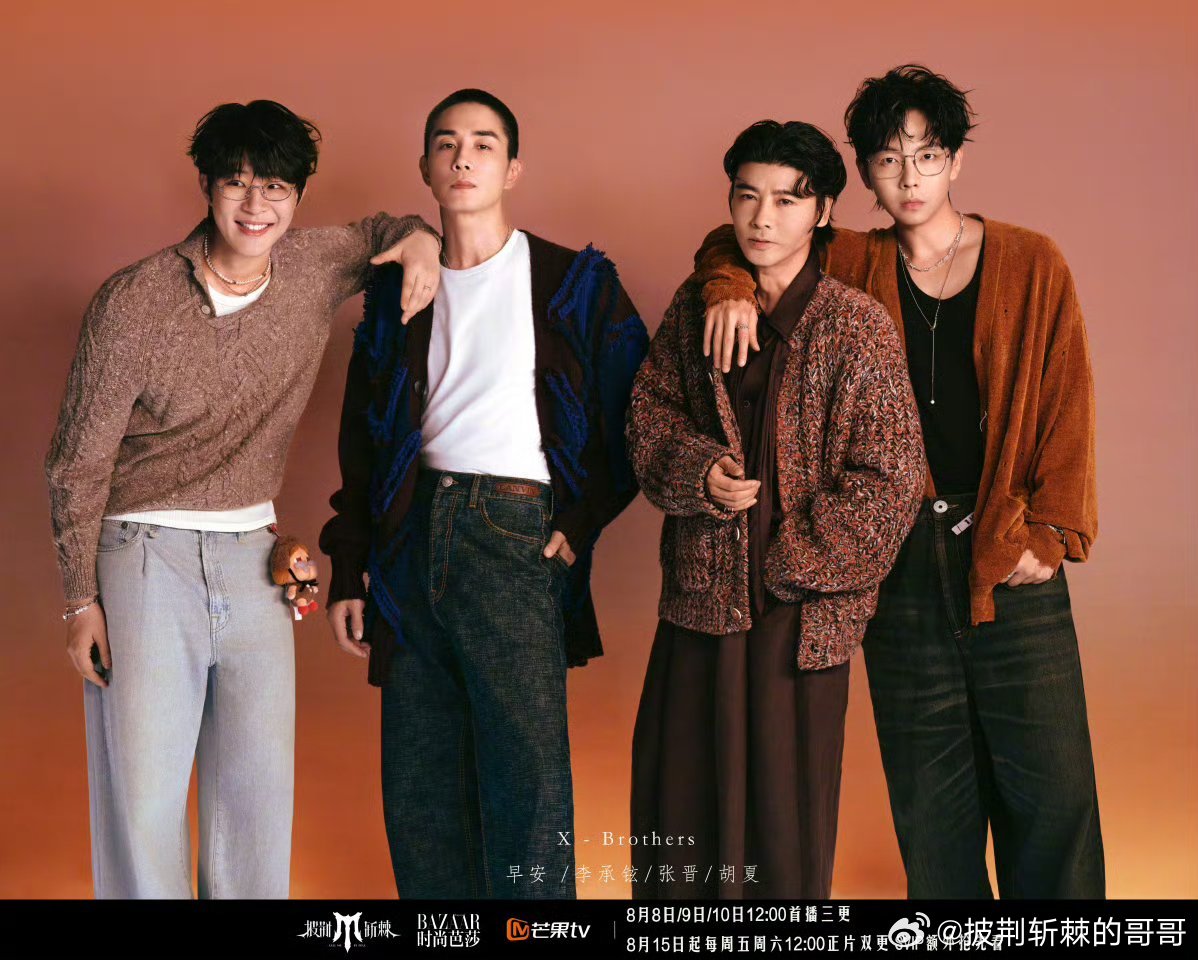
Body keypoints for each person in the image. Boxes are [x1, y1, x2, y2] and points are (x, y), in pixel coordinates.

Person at [693, 65, 1104, 898]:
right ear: (864, 174)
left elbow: (1069, 397)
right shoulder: (849, 259)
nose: (909, 177)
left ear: (956, 160)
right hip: (897, 557)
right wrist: (729, 289)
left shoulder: (1031, 260)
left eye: (927, 155)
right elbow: (740, 238)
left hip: (1006, 547)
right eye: (887, 159)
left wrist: (1055, 531)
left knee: (1053, 799)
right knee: (932, 807)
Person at [45, 99, 440, 899]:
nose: (257, 205)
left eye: (277, 187)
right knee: (145, 798)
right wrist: (80, 599)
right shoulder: (133, 301)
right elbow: (76, 462)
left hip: (256, 559)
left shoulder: (312, 266)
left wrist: (423, 241)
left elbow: (385, 230)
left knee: (255, 796)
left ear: (297, 196)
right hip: (143, 555)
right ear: (207, 186)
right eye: (237, 182)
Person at [320, 88, 648, 899]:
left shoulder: (570, 282)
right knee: (421, 784)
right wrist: (350, 571)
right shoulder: (396, 289)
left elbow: (641, 414)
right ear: (425, 167)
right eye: (446, 143)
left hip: (512, 530)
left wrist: (579, 521)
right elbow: (364, 442)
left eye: (483, 144)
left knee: (526, 781)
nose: (463, 157)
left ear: (513, 169)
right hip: (410, 534)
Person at [626, 120, 924, 899]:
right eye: (747, 196)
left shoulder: (856, 326)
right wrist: (698, 471)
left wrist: (790, 561)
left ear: (823, 211)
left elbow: (891, 478)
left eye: (788, 201)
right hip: (699, 600)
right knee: (678, 813)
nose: (762, 218)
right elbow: (647, 420)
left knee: (782, 831)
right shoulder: (695, 310)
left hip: (801, 618)